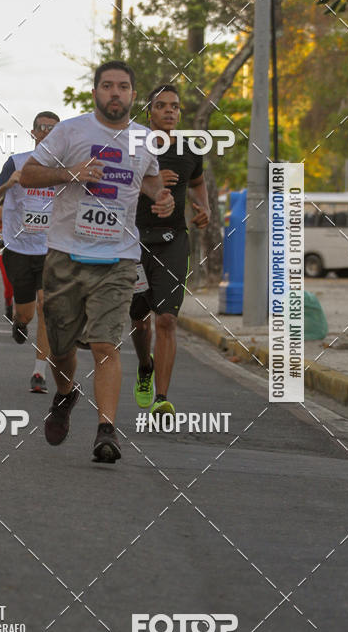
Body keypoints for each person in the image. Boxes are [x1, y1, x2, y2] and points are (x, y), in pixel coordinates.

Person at [20, 61, 174, 463]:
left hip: (118, 258)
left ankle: (107, 430)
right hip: (66, 255)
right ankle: (67, 393)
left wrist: (162, 197)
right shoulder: (70, 131)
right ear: (95, 93)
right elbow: (28, 175)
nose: (115, 93)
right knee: (61, 347)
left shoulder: (143, 140)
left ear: (133, 95)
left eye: (123, 87)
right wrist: (71, 172)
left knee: (106, 343)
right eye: (107, 86)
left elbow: (150, 179)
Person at [130, 84, 210, 417]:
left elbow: (197, 182)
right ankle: (145, 366)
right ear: (150, 111)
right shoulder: (133, 148)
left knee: (166, 320)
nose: (169, 111)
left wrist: (203, 208)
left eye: (174, 106)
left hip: (173, 241)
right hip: (133, 242)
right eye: (162, 106)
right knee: (139, 319)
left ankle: (161, 398)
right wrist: (148, 181)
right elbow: (111, 186)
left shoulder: (191, 150)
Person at [0, 111, 59, 393]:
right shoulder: (16, 162)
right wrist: (9, 183)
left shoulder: (63, 168)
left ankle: (39, 372)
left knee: (46, 306)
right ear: (34, 132)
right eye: (43, 127)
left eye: (54, 128)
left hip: (50, 250)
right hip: (17, 248)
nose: (48, 132)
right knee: (27, 312)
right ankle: (18, 321)